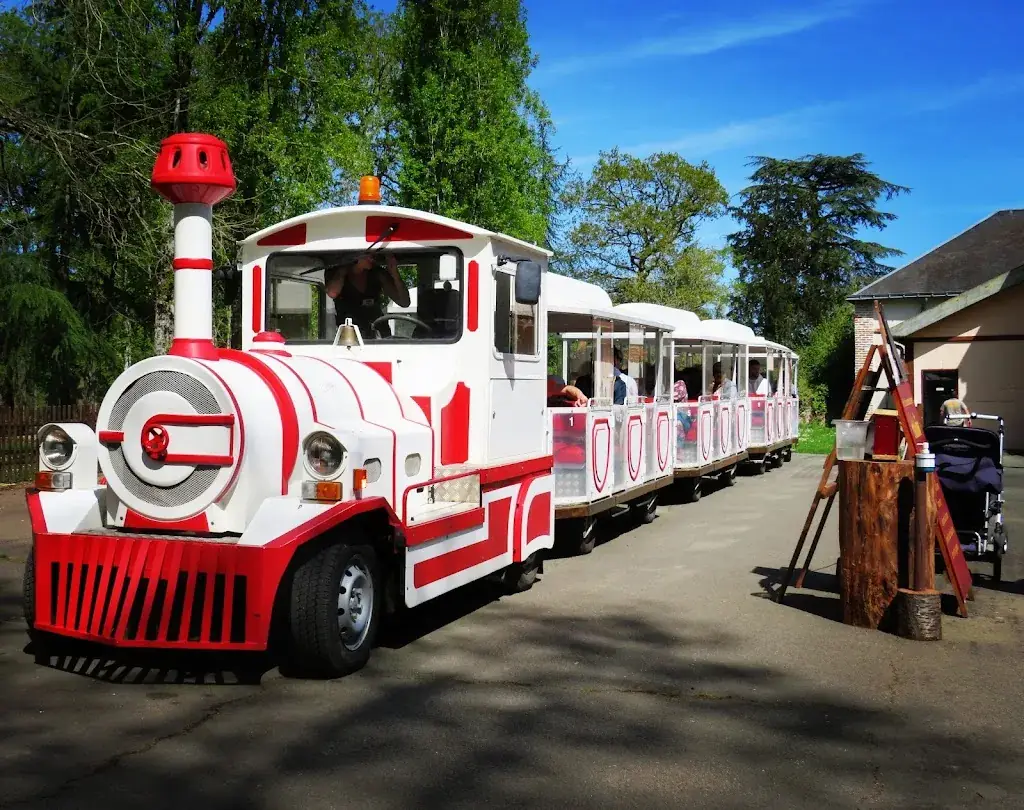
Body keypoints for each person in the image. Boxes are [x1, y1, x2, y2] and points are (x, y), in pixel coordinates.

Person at [324, 252, 411, 338]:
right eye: (369, 255)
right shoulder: (337, 273)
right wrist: (345, 268)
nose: (373, 258)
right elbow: (332, 293)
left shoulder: (378, 273)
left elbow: (404, 302)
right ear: (355, 256)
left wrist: (395, 273)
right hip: (349, 335)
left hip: (379, 333)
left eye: (374, 255)